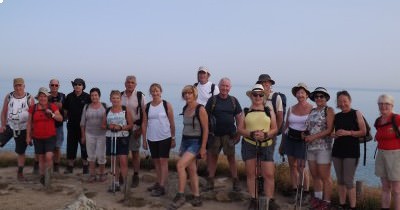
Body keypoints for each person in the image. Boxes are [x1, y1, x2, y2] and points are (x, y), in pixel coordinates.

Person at [238, 84, 278, 210]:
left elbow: (275, 129)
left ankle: (270, 200)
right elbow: (240, 129)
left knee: (269, 174)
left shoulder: (269, 111)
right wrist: (250, 134)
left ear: (263, 96)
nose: (258, 97)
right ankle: (253, 199)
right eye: (255, 95)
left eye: (260, 95)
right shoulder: (246, 111)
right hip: (249, 144)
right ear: (251, 96)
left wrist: (265, 135)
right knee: (251, 174)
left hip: (266, 145)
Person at [168, 85, 208, 209]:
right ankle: (197, 197)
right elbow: (186, 128)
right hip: (186, 141)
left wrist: (203, 147)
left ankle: (180, 195)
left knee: (180, 165)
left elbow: (206, 129)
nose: (187, 95)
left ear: (194, 94)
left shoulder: (200, 109)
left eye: (189, 93)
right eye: (185, 93)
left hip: (196, 142)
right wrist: (181, 146)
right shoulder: (185, 108)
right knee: (191, 170)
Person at [204, 77, 243, 192]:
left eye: (227, 86)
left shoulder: (233, 101)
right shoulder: (213, 100)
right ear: (219, 87)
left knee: (231, 158)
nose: (224, 88)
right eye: (222, 86)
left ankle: (235, 181)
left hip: (229, 135)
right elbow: (205, 117)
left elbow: (238, 118)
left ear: (230, 88)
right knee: (212, 157)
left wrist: (239, 134)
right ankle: (210, 181)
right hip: (214, 134)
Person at [332, 90, 367, 210]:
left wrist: (348, 132)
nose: (342, 103)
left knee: (348, 180)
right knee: (340, 180)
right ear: (337, 103)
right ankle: (342, 205)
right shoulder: (337, 116)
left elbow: (363, 131)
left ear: (349, 101)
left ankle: (352, 207)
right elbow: (332, 133)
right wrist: (335, 135)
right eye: (340, 101)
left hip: (351, 152)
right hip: (337, 150)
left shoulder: (356, 113)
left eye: (345, 101)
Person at [279, 83, 313, 202]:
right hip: (290, 139)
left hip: (303, 141)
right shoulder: (291, 108)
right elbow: (286, 127)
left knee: (302, 167)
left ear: (307, 95)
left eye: (302, 92)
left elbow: (314, 127)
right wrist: (282, 144)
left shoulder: (312, 109)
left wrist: (309, 135)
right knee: (292, 167)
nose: (300, 95)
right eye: (298, 92)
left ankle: (306, 192)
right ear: (295, 95)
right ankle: (295, 190)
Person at [142, 83, 176, 197]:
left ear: (161, 92)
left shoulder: (166, 105)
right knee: (156, 162)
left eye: (157, 91)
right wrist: (144, 140)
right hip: (152, 137)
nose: (155, 93)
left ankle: (162, 186)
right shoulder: (147, 107)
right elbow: (144, 123)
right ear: (150, 93)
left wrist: (173, 138)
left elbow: (172, 123)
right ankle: (158, 182)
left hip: (165, 137)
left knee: (163, 162)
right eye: (153, 91)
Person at [304, 87, 335, 210]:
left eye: (321, 96)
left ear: (326, 98)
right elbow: (308, 127)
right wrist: (305, 134)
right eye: (316, 96)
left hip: (324, 148)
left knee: (325, 176)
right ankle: (318, 199)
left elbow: (329, 129)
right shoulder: (312, 111)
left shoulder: (329, 110)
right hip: (311, 147)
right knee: (315, 175)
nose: (319, 98)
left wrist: (313, 137)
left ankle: (326, 201)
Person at [26, 87, 63, 185]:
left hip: (50, 136)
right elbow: (29, 123)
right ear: (38, 97)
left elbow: (60, 118)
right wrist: (28, 136)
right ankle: (43, 176)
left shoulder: (52, 107)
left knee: (49, 156)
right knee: (41, 157)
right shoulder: (33, 108)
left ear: (47, 97)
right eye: (41, 96)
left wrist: (52, 115)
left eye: (45, 96)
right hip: (37, 137)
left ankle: (48, 174)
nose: (43, 98)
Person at [0, 78, 35, 181]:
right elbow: (3, 112)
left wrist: (30, 133)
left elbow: (32, 116)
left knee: (21, 152)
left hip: (23, 128)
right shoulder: (9, 96)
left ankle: (20, 173)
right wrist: (3, 125)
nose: (18, 87)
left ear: (24, 86)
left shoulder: (29, 97)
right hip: (9, 126)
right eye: (16, 85)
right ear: (13, 86)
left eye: (20, 85)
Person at [374, 94, 400, 210]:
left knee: (396, 190)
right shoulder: (378, 121)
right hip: (381, 154)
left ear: (392, 105)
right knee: (385, 187)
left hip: (395, 156)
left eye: (387, 104)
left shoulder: (397, 118)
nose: (383, 106)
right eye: (381, 104)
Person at [105, 90, 133, 192]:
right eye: (113, 98)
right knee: (114, 161)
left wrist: (120, 127)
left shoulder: (125, 110)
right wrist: (109, 126)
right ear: (110, 99)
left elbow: (130, 125)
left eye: (117, 98)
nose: (115, 100)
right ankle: (115, 183)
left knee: (123, 161)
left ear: (120, 99)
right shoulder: (107, 110)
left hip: (122, 138)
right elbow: (103, 125)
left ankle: (125, 184)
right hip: (111, 137)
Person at [121, 75, 145, 188]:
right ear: (125, 83)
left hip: (135, 128)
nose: (130, 84)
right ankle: (122, 174)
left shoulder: (140, 96)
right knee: (122, 153)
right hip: (122, 129)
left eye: (132, 82)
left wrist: (141, 129)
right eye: (128, 82)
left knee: (135, 153)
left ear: (135, 84)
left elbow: (145, 115)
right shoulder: (121, 95)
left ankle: (136, 175)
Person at [63, 78, 91, 174]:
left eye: (79, 84)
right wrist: (64, 118)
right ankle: (70, 167)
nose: (77, 86)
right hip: (71, 126)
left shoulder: (87, 97)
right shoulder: (69, 96)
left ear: (83, 86)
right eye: (75, 84)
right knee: (71, 147)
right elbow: (66, 110)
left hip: (84, 127)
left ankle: (85, 167)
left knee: (84, 147)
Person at [80, 88, 107, 183]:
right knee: (91, 156)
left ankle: (102, 174)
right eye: (92, 95)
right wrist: (83, 136)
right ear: (90, 96)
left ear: (99, 96)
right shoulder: (86, 107)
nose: (94, 97)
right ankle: (92, 175)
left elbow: (109, 120)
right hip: (89, 134)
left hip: (102, 135)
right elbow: (83, 123)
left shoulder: (104, 106)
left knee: (101, 155)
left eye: (96, 95)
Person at [257, 74, 284, 139]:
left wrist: (274, 133)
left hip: (270, 134)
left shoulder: (276, 97)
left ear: (270, 84)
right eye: (262, 82)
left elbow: (280, 117)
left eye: (267, 82)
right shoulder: (257, 96)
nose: (265, 84)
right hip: (257, 132)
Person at [48, 79, 66, 173]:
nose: (54, 87)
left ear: (58, 86)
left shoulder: (62, 96)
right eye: (52, 85)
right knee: (47, 147)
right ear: (49, 85)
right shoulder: (45, 96)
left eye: (56, 85)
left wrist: (61, 106)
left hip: (59, 125)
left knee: (57, 147)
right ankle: (47, 166)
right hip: (47, 125)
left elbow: (67, 108)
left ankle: (56, 166)